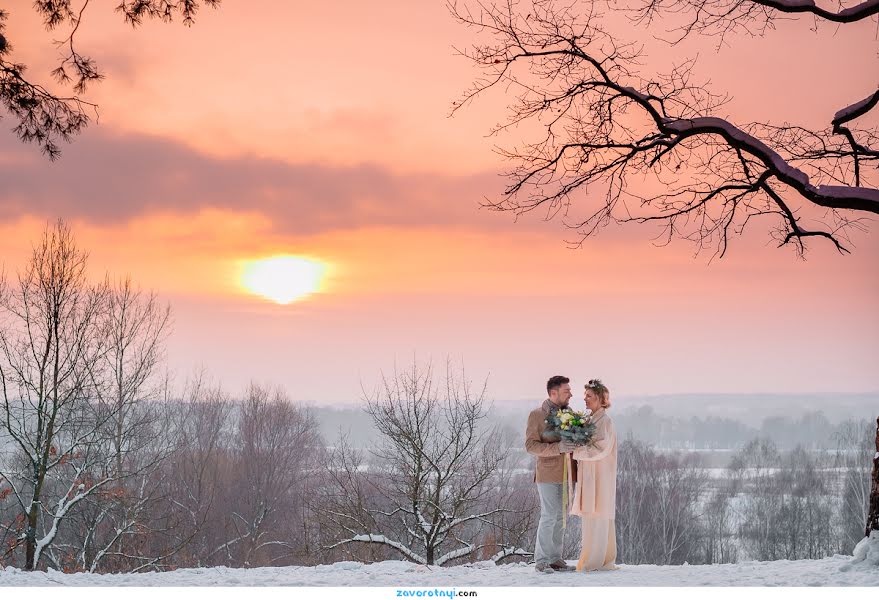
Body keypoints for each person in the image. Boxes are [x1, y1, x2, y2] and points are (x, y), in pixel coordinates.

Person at [525, 375, 578, 573]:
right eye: (567, 391)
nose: (571, 394)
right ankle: (541, 561)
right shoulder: (537, 415)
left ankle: (556, 559)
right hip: (547, 474)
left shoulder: (571, 413)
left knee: (561, 517)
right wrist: (558, 447)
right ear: (553, 393)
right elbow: (530, 446)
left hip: (568, 473)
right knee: (549, 515)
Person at [570, 378, 618, 571]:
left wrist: (577, 450)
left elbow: (602, 448)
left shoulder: (605, 421)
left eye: (589, 396)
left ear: (599, 398)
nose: (585, 399)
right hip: (589, 475)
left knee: (598, 515)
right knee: (590, 516)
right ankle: (590, 558)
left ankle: (597, 560)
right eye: (585, 396)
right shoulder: (590, 420)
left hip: (601, 475)